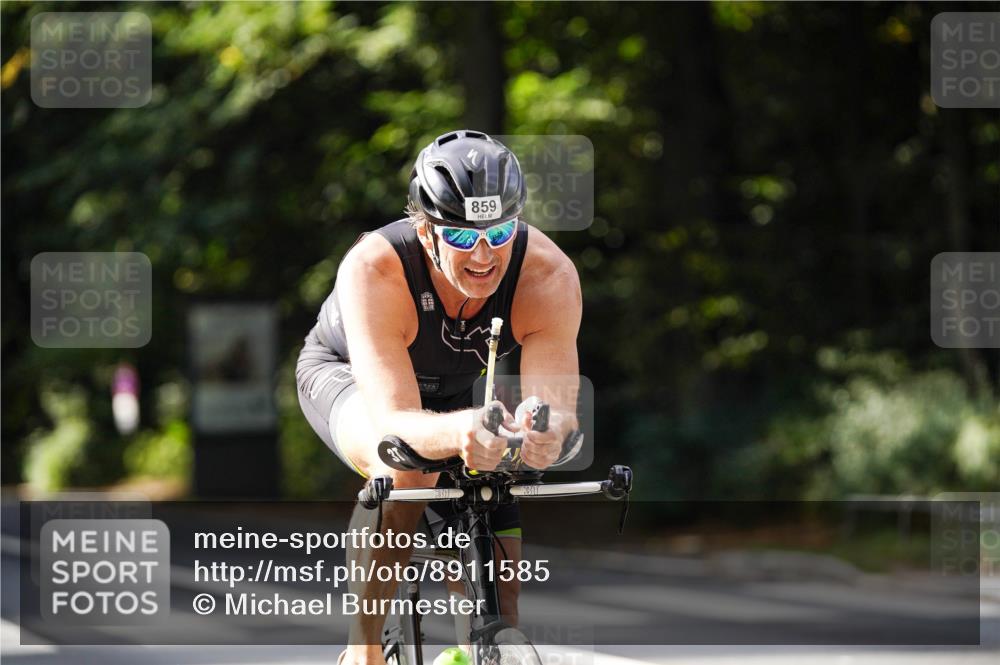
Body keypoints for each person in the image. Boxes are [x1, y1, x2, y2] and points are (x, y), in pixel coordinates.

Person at [296, 130, 581, 665]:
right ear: (425, 232)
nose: (484, 254)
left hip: (455, 390)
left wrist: (543, 434)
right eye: (462, 237)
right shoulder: (375, 268)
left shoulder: (547, 275)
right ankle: (363, 649)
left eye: (499, 231)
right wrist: (460, 432)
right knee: (409, 470)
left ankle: (487, 643)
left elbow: (557, 410)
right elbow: (396, 423)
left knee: (496, 492)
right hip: (349, 377)